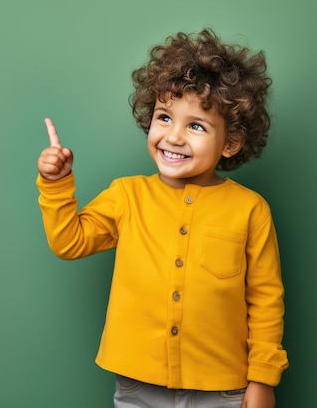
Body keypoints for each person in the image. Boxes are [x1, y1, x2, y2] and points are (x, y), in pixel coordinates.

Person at [36, 29, 288, 408]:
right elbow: (69, 242)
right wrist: (55, 183)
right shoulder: (127, 195)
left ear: (231, 141)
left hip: (223, 388)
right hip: (139, 386)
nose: (174, 136)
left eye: (196, 125)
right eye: (164, 117)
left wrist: (262, 379)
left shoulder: (251, 210)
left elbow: (266, 299)